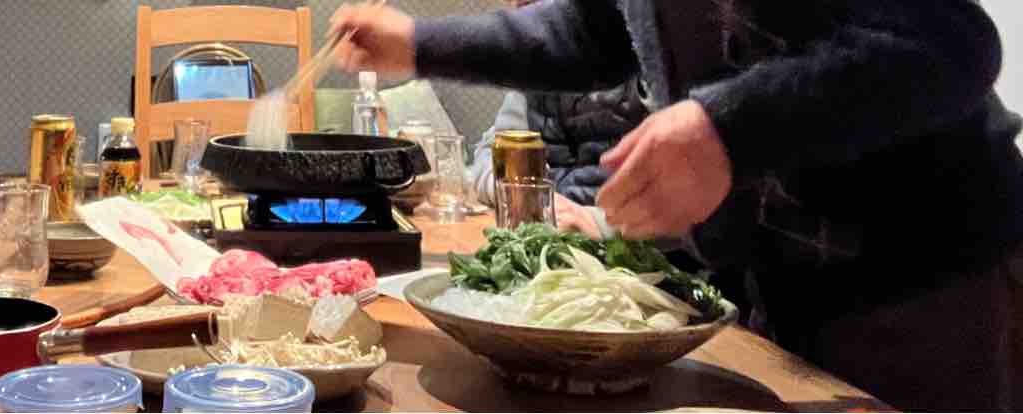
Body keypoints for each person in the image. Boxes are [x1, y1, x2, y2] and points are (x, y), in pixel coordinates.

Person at [331, 0, 1023, 411]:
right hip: (768, 286)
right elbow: (593, 32)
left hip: (921, 282)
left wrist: (730, 129)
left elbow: (950, 44)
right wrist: (420, 45)